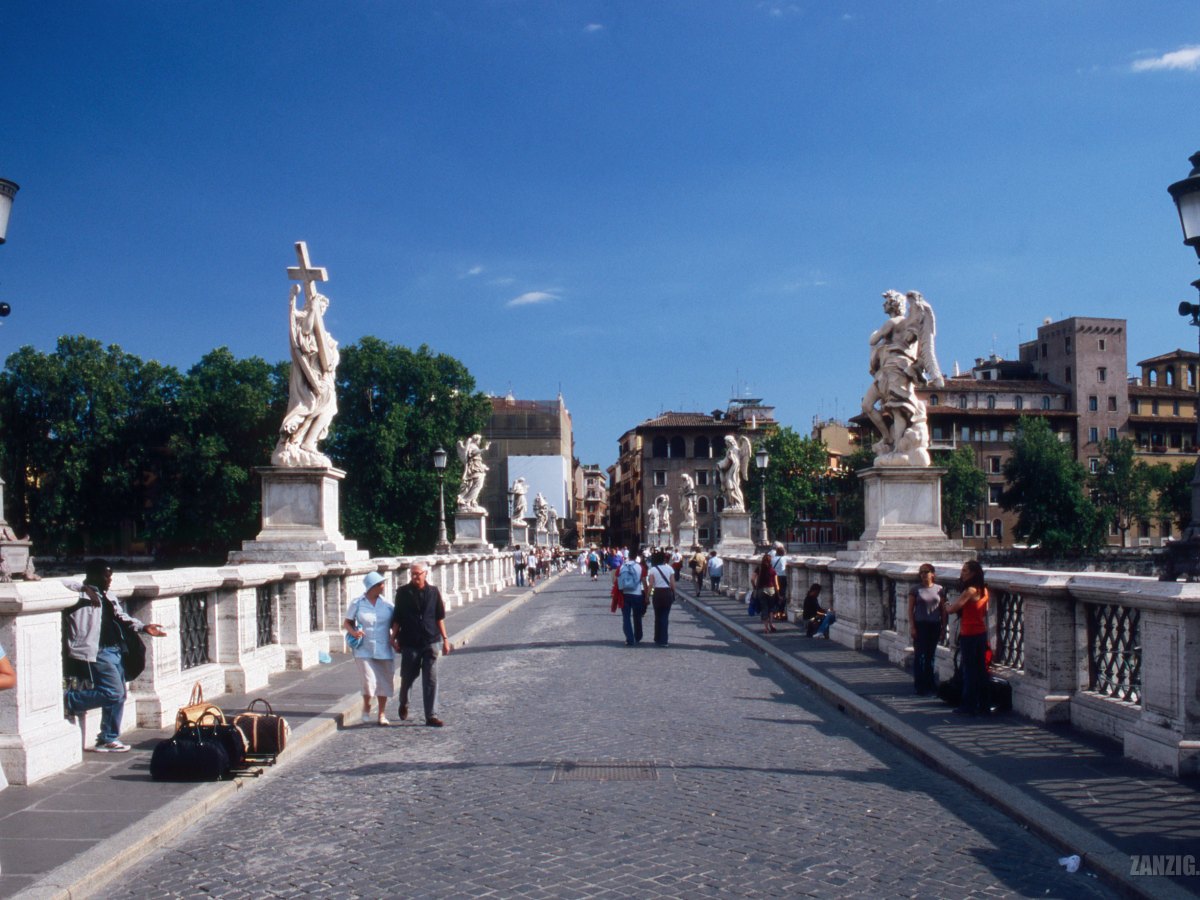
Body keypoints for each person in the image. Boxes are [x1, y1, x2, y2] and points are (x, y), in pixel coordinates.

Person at [63, 560, 167, 752]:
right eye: (105, 575)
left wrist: (143, 627)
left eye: (110, 576)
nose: (109, 580)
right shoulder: (78, 593)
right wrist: (84, 588)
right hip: (96, 651)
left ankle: (108, 738)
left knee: (120, 695)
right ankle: (69, 700)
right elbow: (58, 584)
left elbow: (121, 617)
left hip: (115, 649)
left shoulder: (108, 596)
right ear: (92, 574)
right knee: (113, 692)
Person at [273, 285, 339, 467]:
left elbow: (330, 360)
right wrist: (312, 309)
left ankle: (309, 442)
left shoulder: (326, 336)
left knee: (330, 409)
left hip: (323, 378)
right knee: (309, 407)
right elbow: (305, 332)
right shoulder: (306, 324)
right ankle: (296, 442)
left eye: (323, 309)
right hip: (308, 377)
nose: (322, 311)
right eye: (320, 308)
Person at [390, 560, 452, 727]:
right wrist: (393, 637)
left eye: (418, 573)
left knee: (431, 679)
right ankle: (404, 702)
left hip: (430, 639)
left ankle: (431, 715)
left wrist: (445, 640)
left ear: (426, 574)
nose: (415, 576)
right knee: (407, 678)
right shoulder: (403, 593)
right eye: (413, 573)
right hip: (410, 641)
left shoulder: (433, 592)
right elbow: (397, 618)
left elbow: (439, 617)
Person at [344, 572, 395, 726]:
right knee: (369, 682)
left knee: (384, 682)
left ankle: (381, 713)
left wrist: (396, 638)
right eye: (380, 584)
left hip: (384, 647)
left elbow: (395, 623)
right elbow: (347, 622)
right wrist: (354, 632)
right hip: (364, 648)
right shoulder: (357, 603)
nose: (383, 586)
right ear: (372, 587)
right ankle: (367, 704)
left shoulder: (387, 605)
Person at [946, 559, 989, 716]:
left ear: (973, 573)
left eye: (965, 571)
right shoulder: (984, 590)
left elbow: (953, 609)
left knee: (969, 671)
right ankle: (984, 704)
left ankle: (968, 705)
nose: (962, 573)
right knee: (981, 670)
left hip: (969, 634)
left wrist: (946, 606)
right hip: (981, 633)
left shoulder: (969, 591)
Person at [908, 564, 947, 695]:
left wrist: (943, 628)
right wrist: (912, 627)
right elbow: (910, 610)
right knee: (920, 656)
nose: (924, 574)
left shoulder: (939, 589)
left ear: (933, 574)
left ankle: (930, 682)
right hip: (921, 625)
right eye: (921, 572)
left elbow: (943, 610)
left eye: (926, 572)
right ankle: (920, 685)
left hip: (934, 625)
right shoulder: (915, 590)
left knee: (931, 656)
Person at [646, 550, 677, 646]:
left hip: (657, 593)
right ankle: (664, 640)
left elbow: (651, 585)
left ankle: (657, 637)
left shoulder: (653, 570)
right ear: (664, 559)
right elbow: (672, 584)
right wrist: (674, 593)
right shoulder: (670, 569)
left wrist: (647, 596)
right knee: (665, 617)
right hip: (667, 593)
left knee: (657, 616)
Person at [615, 554, 647, 646]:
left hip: (625, 594)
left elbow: (615, 580)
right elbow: (644, 581)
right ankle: (638, 636)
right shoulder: (640, 567)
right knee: (637, 617)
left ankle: (629, 639)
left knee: (626, 617)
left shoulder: (621, 567)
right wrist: (646, 596)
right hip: (637, 594)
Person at [751, 552, 779, 634]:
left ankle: (766, 628)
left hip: (761, 590)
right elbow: (776, 584)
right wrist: (779, 594)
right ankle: (771, 624)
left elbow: (752, 579)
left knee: (764, 608)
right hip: (771, 590)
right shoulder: (773, 570)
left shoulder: (758, 569)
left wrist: (754, 587)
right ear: (770, 561)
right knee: (771, 608)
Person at [771, 542, 789, 620]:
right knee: (782, 594)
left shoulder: (773, 559)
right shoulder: (784, 558)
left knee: (775, 594)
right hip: (782, 577)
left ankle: (775, 612)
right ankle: (781, 612)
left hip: (774, 577)